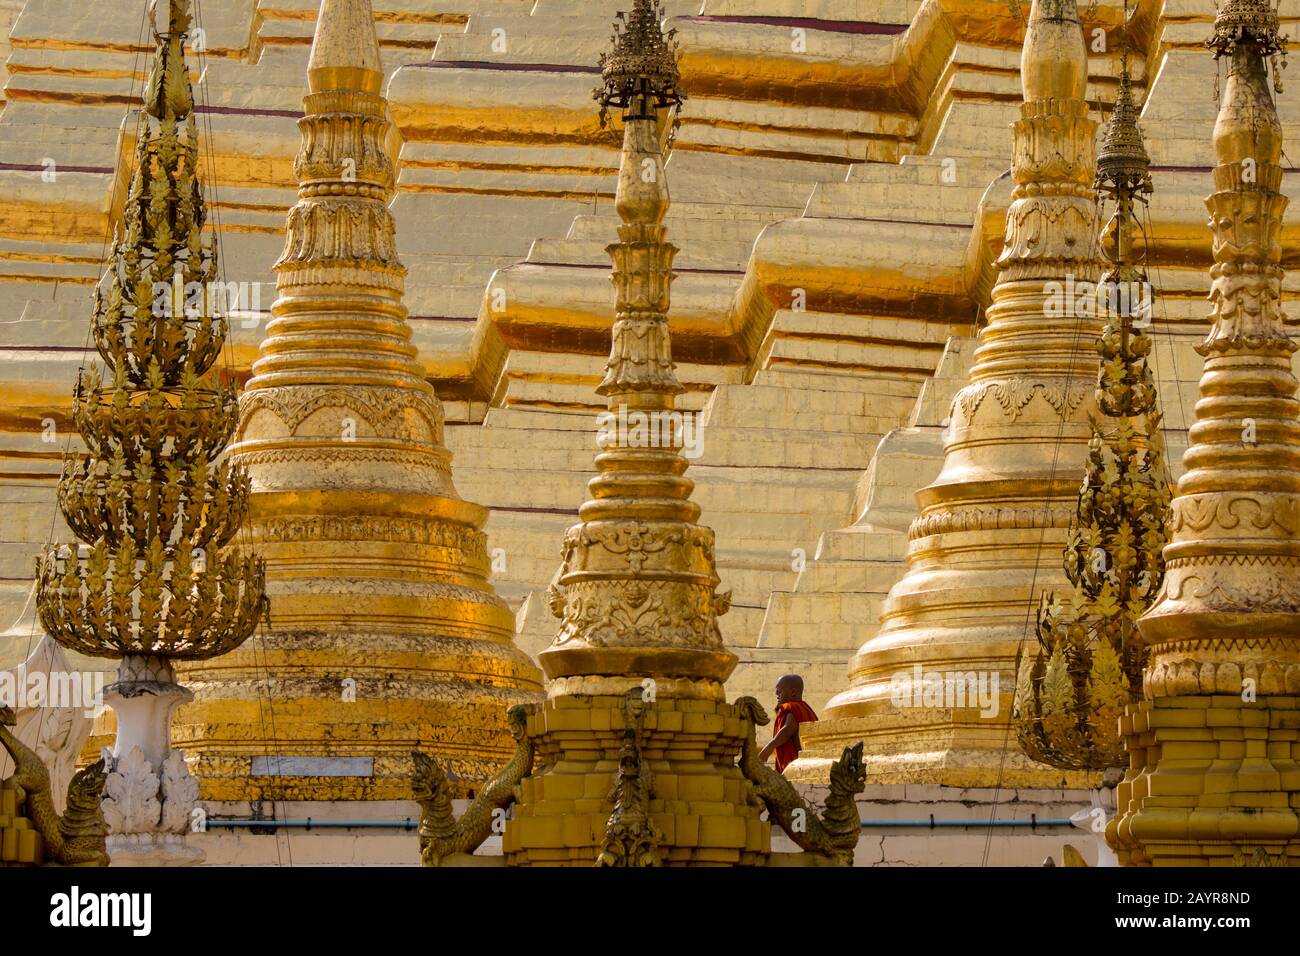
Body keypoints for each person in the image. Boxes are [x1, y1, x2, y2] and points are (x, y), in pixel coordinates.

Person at [758, 674, 818, 774]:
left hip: (795, 766)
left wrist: (769, 747)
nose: (776, 693)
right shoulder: (808, 710)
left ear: (793, 692)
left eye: (779, 690)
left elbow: (788, 729)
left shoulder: (792, 707)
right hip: (807, 764)